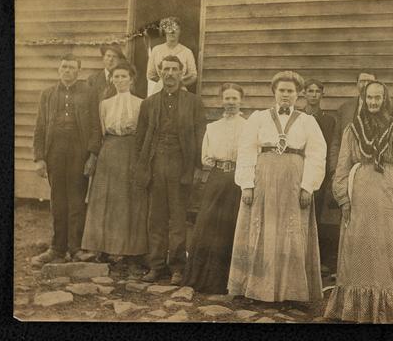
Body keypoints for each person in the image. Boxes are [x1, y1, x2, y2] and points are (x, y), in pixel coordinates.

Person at [324, 81, 393, 323]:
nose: (373, 102)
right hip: (360, 195)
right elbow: (343, 165)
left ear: (385, 100)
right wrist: (343, 199)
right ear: (363, 99)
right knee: (359, 248)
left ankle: (386, 307)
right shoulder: (352, 129)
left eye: (378, 98)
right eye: (369, 98)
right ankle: (356, 308)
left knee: (389, 248)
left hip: (388, 194)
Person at [228, 71, 326, 303]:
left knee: (291, 233)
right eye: (281, 90)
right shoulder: (258, 118)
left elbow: (316, 155)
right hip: (263, 178)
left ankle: (291, 292)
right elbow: (247, 150)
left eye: (290, 91)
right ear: (274, 92)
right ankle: (254, 289)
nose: (285, 95)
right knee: (260, 229)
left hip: (293, 180)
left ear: (298, 94)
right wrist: (247, 184)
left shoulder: (307, 121)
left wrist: (308, 186)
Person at [135, 55, 206, 285]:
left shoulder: (193, 102)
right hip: (156, 164)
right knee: (155, 217)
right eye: (166, 69)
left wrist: (196, 166)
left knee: (178, 218)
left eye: (175, 69)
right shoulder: (149, 103)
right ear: (160, 72)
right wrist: (143, 166)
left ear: (181, 73)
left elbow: (199, 136)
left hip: (180, 164)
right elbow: (140, 138)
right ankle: (156, 266)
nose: (170, 73)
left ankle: (177, 267)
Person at [31, 54, 100, 267]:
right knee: (58, 200)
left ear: (78, 71)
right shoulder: (48, 95)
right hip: (55, 153)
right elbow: (40, 127)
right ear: (59, 70)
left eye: (72, 67)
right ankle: (57, 248)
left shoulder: (88, 93)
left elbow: (96, 127)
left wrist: (92, 155)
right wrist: (39, 158)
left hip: (79, 153)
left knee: (77, 201)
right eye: (64, 67)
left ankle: (76, 248)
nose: (67, 71)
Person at [80, 61, 147, 275]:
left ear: (131, 79)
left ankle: (131, 253)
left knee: (129, 201)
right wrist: (95, 157)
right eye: (116, 77)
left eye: (123, 76)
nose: (119, 80)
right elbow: (100, 133)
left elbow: (142, 134)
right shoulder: (105, 104)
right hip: (109, 152)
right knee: (105, 200)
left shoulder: (141, 104)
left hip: (130, 151)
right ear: (112, 79)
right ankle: (104, 250)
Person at [183, 83, 246, 294]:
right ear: (221, 101)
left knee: (231, 226)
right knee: (208, 225)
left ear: (241, 101)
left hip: (238, 179)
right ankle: (204, 279)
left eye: (234, 98)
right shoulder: (213, 127)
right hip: (217, 178)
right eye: (226, 98)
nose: (230, 103)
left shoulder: (248, 127)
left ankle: (230, 281)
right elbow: (206, 158)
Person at [329, 73, 393, 174]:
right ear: (357, 84)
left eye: (369, 81)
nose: (365, 84)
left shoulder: (392, 108)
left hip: (384, 171)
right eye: (362, 81)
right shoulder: (345, 108)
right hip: (354, 171)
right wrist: (335, 170)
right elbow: (337, 142)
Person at [302, 78, 338, 275]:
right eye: (310, 91)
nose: (314, 94)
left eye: (317, 91)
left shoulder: (328, 120)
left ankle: (318, 259)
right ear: (304, 94)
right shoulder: (297, 117)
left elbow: (330, 145)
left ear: (322, 95)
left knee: (318, 214)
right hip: (300, 169)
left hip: (320, 170)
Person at [146, 16, 197, 95]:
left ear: (180, 31)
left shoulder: (187, 52)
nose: (172, 32)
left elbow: (193, 75)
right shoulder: (156, 50)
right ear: (165, 31)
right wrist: (165, 82)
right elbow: (150, 74)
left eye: (175, 29)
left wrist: (178, 83)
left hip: (180, 89)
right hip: (160, 89)